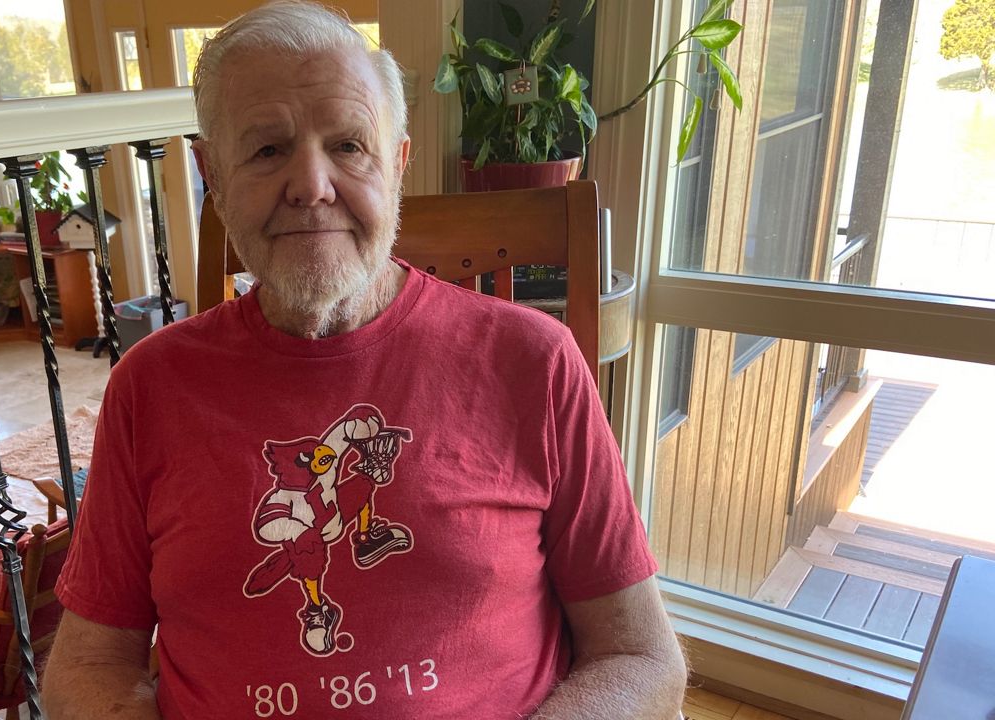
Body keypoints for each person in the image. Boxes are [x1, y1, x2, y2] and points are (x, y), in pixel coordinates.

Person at [42, 1, 686, 717]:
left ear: (398, 165)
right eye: (265, 150)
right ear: (212, 176)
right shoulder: (149, 388)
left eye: (348, 145)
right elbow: (90, 665)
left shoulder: (533, 362)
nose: (312, 186)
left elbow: (640, 656)